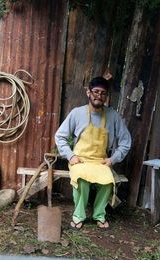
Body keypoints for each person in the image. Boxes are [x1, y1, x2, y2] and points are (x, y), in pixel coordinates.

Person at [55, 76, 131, 229]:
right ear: (88, 93)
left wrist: (113, 159)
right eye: (96, 92)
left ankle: (99, 215)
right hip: (80, 161)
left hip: (100, 161)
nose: (99, 96)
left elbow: (126, 142)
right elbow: (60, 136)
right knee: (81, 179)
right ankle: (79, 216)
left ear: (106, 96)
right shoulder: (77, 113)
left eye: (103, 93)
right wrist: (71, 156)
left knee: (108, 181)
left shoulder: (113, 116)